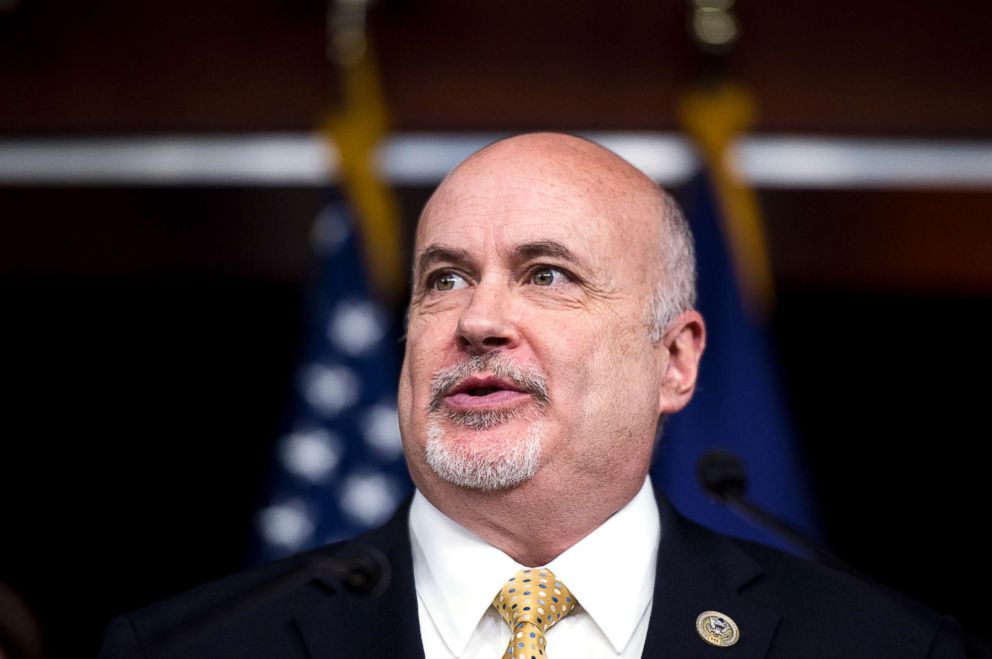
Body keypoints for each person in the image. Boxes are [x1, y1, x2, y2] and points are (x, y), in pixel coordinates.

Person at [99, 133, 966, 658]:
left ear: (675, 359)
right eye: (444, 279)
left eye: (546, 274)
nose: (477, 319)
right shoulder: (187, 649)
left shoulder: (882, 647)